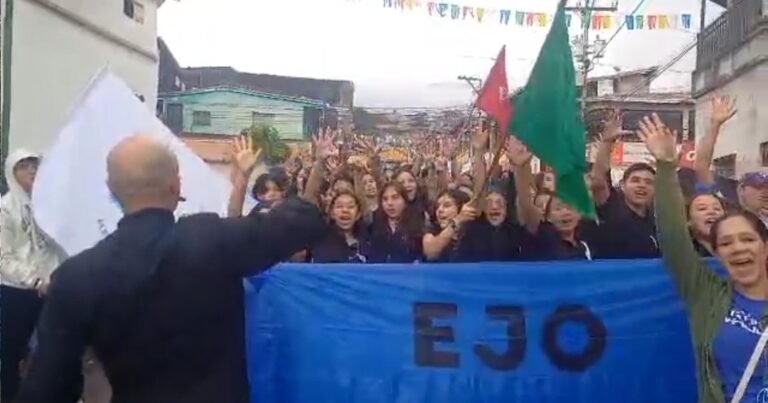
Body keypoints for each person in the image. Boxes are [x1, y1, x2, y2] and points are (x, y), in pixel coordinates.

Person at [16, 134, 326, 403]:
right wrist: (294, 174)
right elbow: (302, 221)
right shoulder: (212, 240)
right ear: (177, 184)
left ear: (111, 189)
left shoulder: (77, 275)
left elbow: (48, 387)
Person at [641, 113, 768, 403]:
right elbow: (673, 236)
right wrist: (665, 166)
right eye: (726, 242)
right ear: (718, 253)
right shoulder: (706, 295)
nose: (737, 248)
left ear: (765, 247)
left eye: (748, 239)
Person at [1, 150, 65, 403]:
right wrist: (33, 280)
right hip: (16, 293)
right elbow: (4, 258)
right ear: (12, 172)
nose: (31, 171)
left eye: (34, 165)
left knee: (50, 353)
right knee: (10, 353)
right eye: (24, 166)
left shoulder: (46, 206)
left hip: (50, 290)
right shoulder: (6, 209)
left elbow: (55, 246)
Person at [422, 190, 475, 262]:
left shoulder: (473, 229)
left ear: (462, 208)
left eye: (447, 205)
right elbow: (431, 252)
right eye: (437, 206)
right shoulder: (432, 230)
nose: (440, 210)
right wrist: (457, 221)